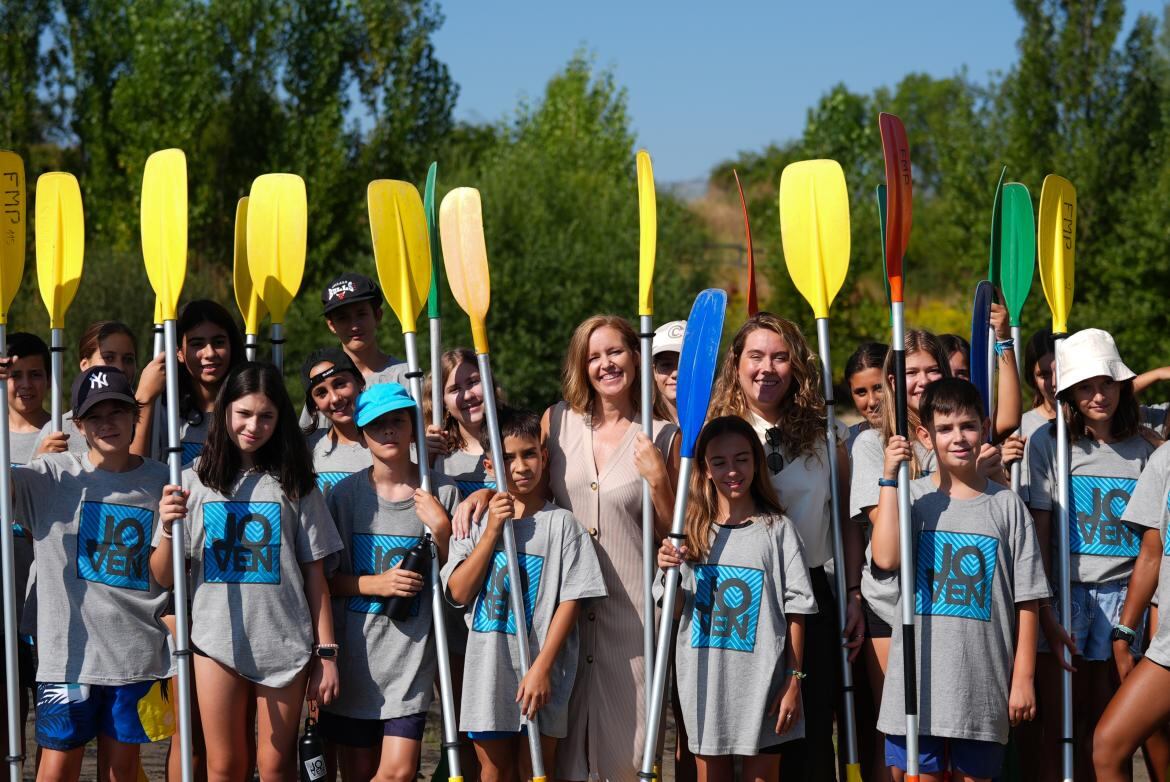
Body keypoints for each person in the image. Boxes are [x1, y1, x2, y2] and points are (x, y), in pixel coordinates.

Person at [150, 362, 342, 780]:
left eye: (266, 416)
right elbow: (163, 577)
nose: (254, 426)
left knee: (275, 766)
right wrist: (166, 527)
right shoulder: (190, 482)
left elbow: (315, 575)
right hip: (215, 642)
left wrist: (326, 654)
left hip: (285, 643)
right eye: (244, 413)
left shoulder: (297, 483)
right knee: (225, 765)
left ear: (280, 419)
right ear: (224, 411)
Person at [709, 311, 864, 779]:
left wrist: (853, 593)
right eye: (755, 356)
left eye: (780, 357)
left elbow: (846, 520)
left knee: (807, 736)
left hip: (811, 596)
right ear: (736, 362)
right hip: (737, 593)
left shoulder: (826, 433)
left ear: (795, 365)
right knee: (735, 740)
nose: (766, 368)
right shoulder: (715, 431)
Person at [872, 377, 1048, 782]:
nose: (958, 437)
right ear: (925, 436)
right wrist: (888, 478)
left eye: (968, 426)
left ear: (984, 428)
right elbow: (885, 557)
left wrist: (1023, 678)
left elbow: (1027, 599)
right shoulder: (911, 498)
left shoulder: (1007, 506)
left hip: (982, 687)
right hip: (918, 686)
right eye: (945, 428)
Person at [13, 365, 174, 780]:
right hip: (67, 660)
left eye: (117, 411)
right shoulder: (50, 475)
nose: (107, 423)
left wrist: (172, 526)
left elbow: (164, 576)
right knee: (57, 769)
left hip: (135, 657)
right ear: (78, 425)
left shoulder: (164, 480)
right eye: (95, 415)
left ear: (135, 414)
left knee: (122, 771)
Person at [542, 314, 678, 782]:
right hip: (562, 617)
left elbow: (675, 534)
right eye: (594, 357)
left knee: (628, 759)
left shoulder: (662, 435)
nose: (606, 364)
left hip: (634, 621)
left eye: (615, 351)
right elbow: (528, 495)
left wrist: (659, 480)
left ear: (635, 357)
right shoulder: (557, 422)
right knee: (561, 762)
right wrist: (482, 494)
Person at [1026, 328, 1163, 782]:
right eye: (1085, 386)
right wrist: (1046, 603)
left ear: (1122, 385)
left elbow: (1152, 541)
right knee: (1060, 725)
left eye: (1107, 383)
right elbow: (1041, 527)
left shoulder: (1145, 448)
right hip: (1065, 594)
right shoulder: (1048, 442)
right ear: (1068, 391)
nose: (1098, 396)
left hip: (1123, 597)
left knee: (1105, 725)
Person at [444, 406, 606, 782]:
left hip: (542, 670)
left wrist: (541, 668)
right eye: (507, 458)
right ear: (490, 466)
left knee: (535, 768)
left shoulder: (563, 525)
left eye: (529, 454)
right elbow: (459, 591)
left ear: (543, 456)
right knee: (493, 770)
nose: (520, 467)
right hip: (489, 669)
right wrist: (491, 533)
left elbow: (571, 601)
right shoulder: (475, 522)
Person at [655, 415, 815, 781]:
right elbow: (675, 611)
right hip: (705, 686)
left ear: (756, 462)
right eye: (720, 462)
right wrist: (669, 570)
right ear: (705, 470)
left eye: (742, 459)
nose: (732, 471)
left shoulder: (779, 530)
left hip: (766, 688)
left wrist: (793, 680)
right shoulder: (689, 533)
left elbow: (797, 611)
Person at [321, 382, 457, 781]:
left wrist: (443, 532)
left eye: (397, 421)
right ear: (362, 434)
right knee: (359, 773)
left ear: (413, 426)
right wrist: (374, 584)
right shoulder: (344, 496)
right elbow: (324, 583)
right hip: (357, 662)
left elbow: (457, 583)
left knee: (397, 773)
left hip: (411, 662)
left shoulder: (441, 493)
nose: (388, 431)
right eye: (376, 425)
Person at [1093, 433, 1170, 780]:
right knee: (1108, 746)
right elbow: (1152, 554)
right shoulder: (1165, 459)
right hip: (1166, 648)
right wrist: (1124, 632)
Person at [134, 299, 245, 466]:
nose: (210, 353)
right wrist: (145, 399)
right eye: (197, 344)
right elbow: (133, 471)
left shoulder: (249, 411)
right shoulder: (162, 413)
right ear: (179, 352)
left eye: (219, 342)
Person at [34, 320, 139, 456]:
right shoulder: (57, 429)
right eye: (109, 357)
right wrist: (41, 459)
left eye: (128, 359)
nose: (120, 367)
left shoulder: (157, 417)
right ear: (85, 365)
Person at [426, 348, 499, 501]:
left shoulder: (517, 441)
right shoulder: (436, 454)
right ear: (442, 402)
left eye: (473, 382)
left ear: (489, 383)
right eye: (454, 390)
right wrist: (427, 461)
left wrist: (487, 494)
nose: (467, 395)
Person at [302, 347, 371, 497]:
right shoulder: (304, 449)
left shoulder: (391, 440)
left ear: (359, 381)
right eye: (321, 393)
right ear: (314, 404)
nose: (334, 398)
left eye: (340, 384)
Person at [844, 341, 887, 449]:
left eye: (879, 388)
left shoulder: (924, 437)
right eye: (861, 392)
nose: (872, 402)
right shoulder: (844, 444)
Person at [651, 320, 685, 425]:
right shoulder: (643, 424)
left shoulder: (715, 420)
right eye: (666, 365)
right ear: (654, 371)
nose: (675, 374)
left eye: (684, 365)